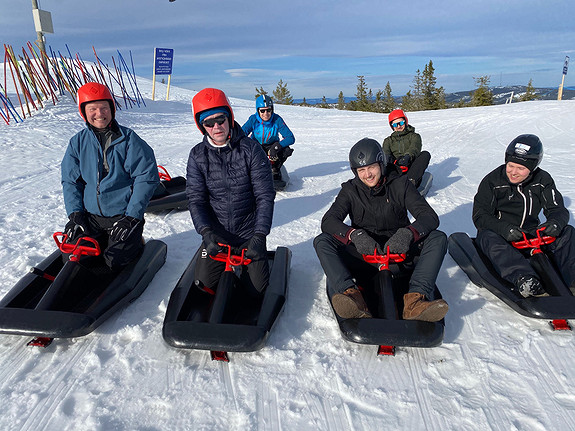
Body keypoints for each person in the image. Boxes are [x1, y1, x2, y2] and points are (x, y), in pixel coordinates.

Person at [313, 138, 448, 321]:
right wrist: (354, 235)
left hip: (399, 253)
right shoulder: (350, 190)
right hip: (366, 254)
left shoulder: (401, 184)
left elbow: (429, 217)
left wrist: (409, 233)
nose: (367, 174)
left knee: (438, 238)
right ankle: (352, 296)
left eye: (372, 168)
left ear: (382, 164)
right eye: (361, 170)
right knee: (323, 241)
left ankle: (415, 301)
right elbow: (328, 221)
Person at [61, 82, 159, 270]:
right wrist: (75, 214)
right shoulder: (77, 142)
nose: (99, 113)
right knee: (72, 256)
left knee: (115, 261)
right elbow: (71, 181)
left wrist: (132, 217)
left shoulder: (129, 139)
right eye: (93, 109)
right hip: (92, 217)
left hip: (123, 216)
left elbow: (146, 176)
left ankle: (136, 243)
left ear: (111, 109)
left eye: (104, 107)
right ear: (84, 112)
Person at [187, 88, 275, 297]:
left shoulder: (251, 149)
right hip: (217, 236)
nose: (216, 126)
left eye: (221, 119)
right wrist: (206, 233)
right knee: (204, 286)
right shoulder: (197, 155)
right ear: (202, 126)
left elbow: (265, 195)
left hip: (248, 234)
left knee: (256, 291)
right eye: (209, 122)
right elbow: (196, 199)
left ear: (229, 117)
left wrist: (260, 235)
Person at [472, 134, 575, 297]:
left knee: (567, 231)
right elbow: (480, 216)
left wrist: (555, 223)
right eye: (510, 165)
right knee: (486, 236)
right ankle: (525, 279)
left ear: (533, 167)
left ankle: (572, 279)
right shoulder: (493, 181)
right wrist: (504, 229)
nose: (513, 172)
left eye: (521, 168)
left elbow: (557, 209)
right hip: (502, 236)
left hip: (532, 235)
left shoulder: (543, 180)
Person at [242, 95, 295, 180]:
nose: (265, 114)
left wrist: (277, 146)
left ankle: (275, 168)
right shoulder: (253, 120)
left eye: (268, 110)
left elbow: (290, 137)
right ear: (258, 111)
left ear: (272, 109)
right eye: (262, 111)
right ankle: (250, 169)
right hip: (256, 146)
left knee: (286, 150)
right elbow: (241, 133)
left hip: (272, 146)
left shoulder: (277, 119)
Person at [382, 109, 430, 187]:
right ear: (392, 126)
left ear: (405, 122)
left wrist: (407, 157)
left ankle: (411, 182)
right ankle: (389, 185)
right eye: (395, 125)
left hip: (411, 166)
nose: (398, 126)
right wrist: (388, 159)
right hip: (396, 168)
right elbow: (385, 152)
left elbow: (414, 148)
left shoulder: (414, 136)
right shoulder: (388, 140)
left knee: (425, 154)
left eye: (401, 123)